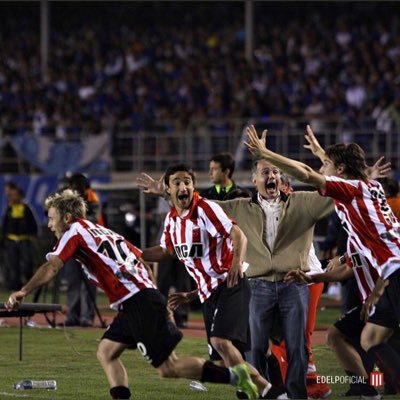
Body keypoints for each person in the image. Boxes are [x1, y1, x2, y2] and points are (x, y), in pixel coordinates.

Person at [5, 189, 259, 400]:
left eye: (51, 218)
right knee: (106, 352)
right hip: (138, 301)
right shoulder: (103, 232)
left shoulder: (74, 232)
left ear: (68, 217)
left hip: (138, 303)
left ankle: (235, 376)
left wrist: (23, 291)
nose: (49, 224)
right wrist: (155, 297)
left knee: (168, 368)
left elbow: (52, 266)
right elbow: (142, 261)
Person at [137, 161, 334, 399]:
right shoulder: (188, 218)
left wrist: (234, 266)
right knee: (247, 351)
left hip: (266, 284)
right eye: (177, 183)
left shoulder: (299, 202)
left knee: (290, 346)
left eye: (187, 182)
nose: (271, 176)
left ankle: (281, 393)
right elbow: (176, 236)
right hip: (238, 288)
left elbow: (236, 233)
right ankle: (267, 391)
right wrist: (132, 250)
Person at [245, 124, 400, 392]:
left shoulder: (350, 191)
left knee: (372, 342)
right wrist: (321, 153)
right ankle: (368, 391)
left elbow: (306, 174)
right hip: (381, 280)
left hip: (392, 275)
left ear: (340, 170)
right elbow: (345, 269)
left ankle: (371, 386)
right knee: (351, 338)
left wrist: (265, 152)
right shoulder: (367, 192)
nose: (321, 169)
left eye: (325, 164)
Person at [61, 173, 104, 327]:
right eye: (73, 185)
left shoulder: (93, 200)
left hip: (91, 248)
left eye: (79, 184)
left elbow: (91, 220)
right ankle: (72, 316)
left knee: (89, 283)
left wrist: (74, 216)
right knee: (73, 282)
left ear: (85, 186)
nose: (76, 188)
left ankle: (87, 317)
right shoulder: (68, 201)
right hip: (73, 247)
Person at [1, 182, 38, 291]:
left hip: (24, 241)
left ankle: (30, 285)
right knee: (13, 266)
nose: (12, 197)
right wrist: (3, 240)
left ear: (20, 196)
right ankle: (15, 287)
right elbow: (5, 226)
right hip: (11, 241)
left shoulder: (26, 208)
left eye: (15, 195)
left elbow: (33, 224)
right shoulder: (10, 209)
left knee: (27, 265)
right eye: (12, 195)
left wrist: (34, 236)